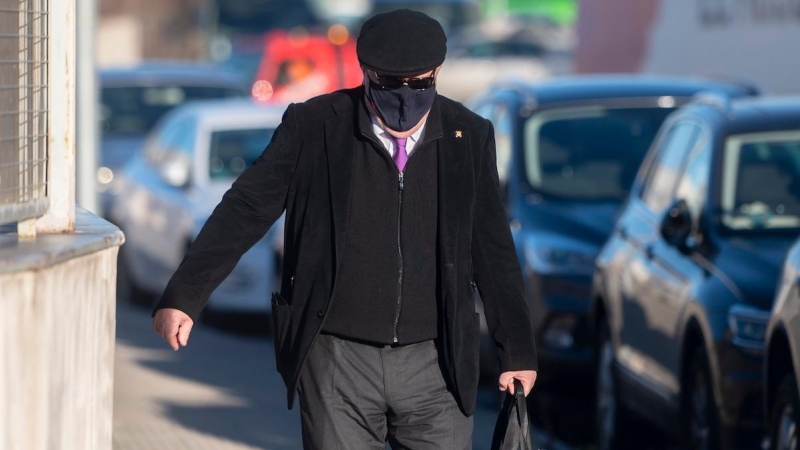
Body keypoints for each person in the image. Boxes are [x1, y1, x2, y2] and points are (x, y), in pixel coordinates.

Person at [152, 9, 538, 449]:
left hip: (438, 364)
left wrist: (517, 351)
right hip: (337, 361)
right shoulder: (315, 127)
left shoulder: (468, 135)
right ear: (366, 73)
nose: (405, 97)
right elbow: (246, 208)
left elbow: (491, 245)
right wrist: (185, 293)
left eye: (420, 83)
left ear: (437, 73)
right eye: (390, 83)